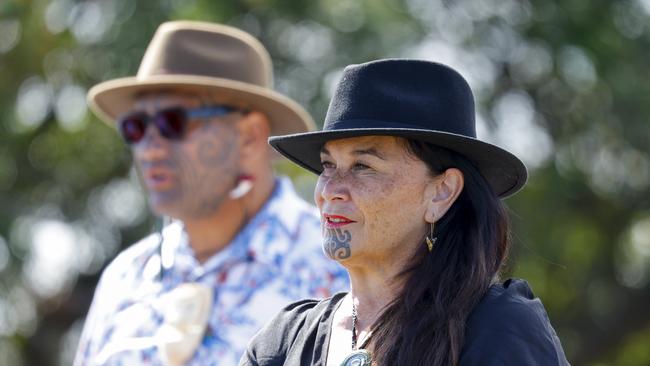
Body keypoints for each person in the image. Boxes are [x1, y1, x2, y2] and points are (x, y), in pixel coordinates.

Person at [240, 59, 570, 366]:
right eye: (328, 165)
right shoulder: (282, 344)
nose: (330, 190)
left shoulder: (498, 329)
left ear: (441, 192)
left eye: (362, 166)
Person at [74, 21, 348, 366]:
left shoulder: (338, 270)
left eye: (173, 123)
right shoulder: (124, 278)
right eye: (136, 127)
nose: (149, 149)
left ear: (249, 136)